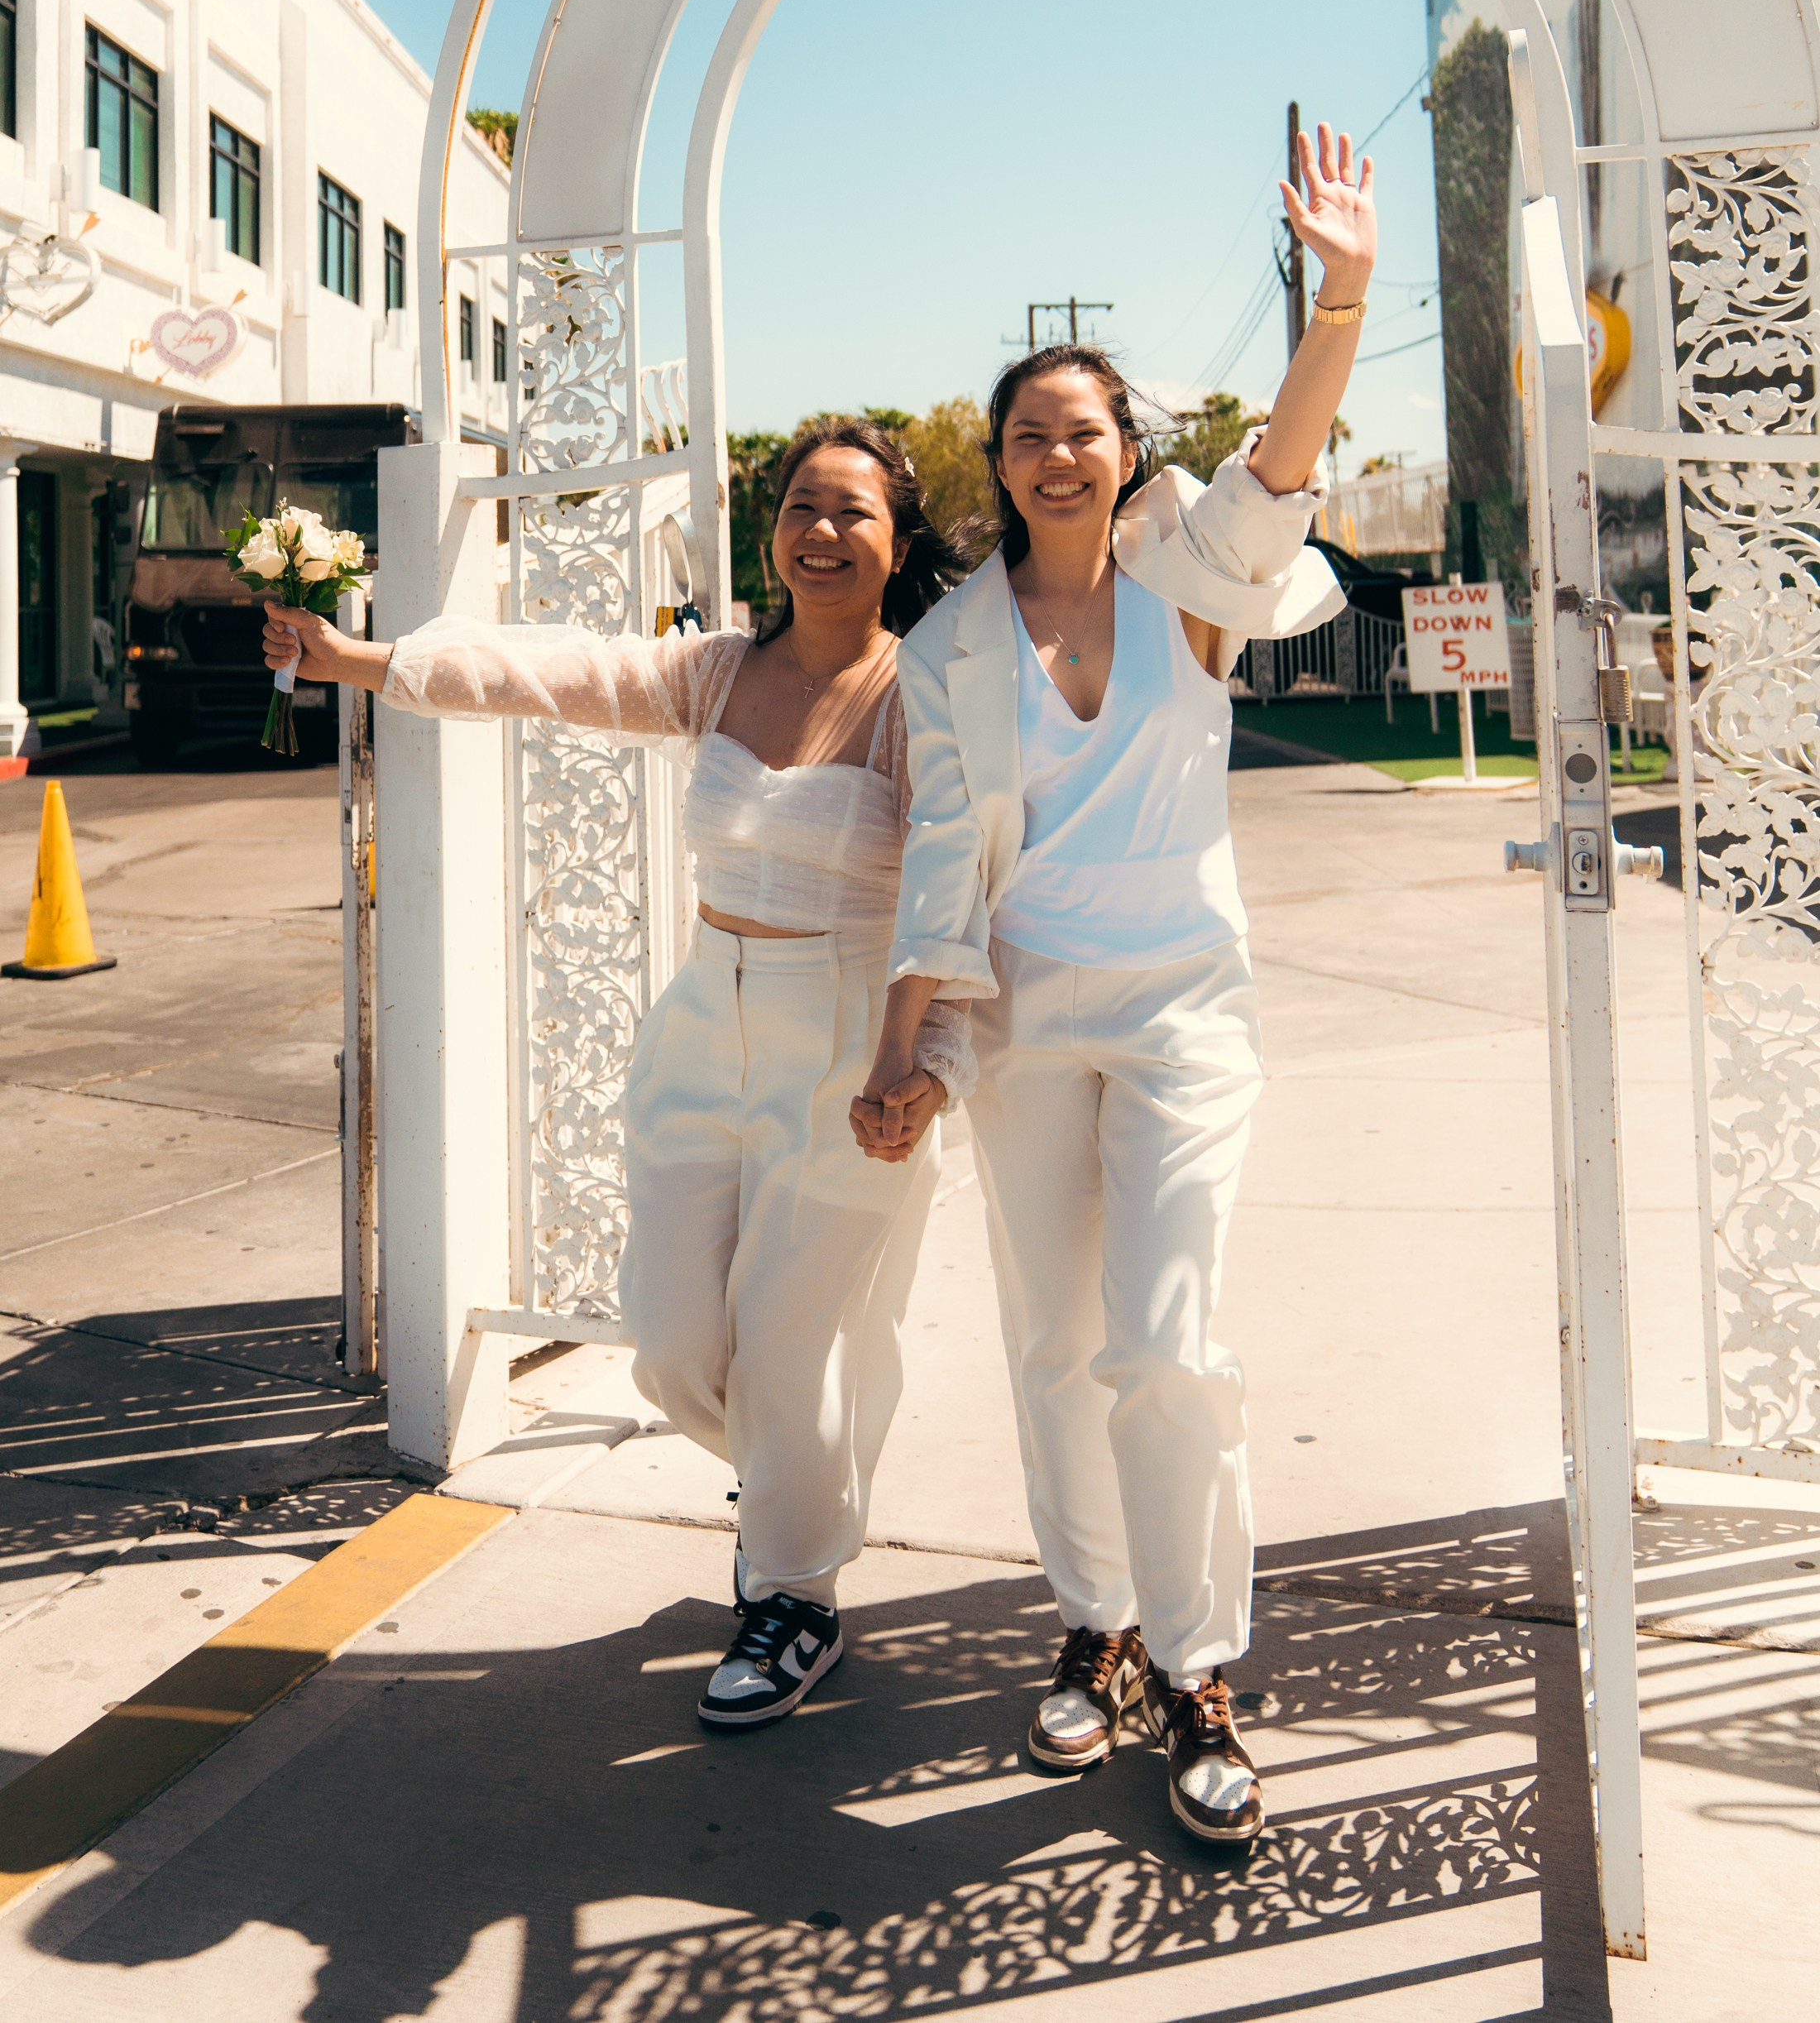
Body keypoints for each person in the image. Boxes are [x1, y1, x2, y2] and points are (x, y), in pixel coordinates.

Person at [263, 419, 970, 1732]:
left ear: (900, 543)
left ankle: (793, 1596)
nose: (822, 532)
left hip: (850, 1047)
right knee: (673, 1338)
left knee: (795, 1341)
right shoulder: (715, 672)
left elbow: (961, 896)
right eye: (802, 505)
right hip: (703, 1027)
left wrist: (920, 1065)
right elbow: (553, 671)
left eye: (854, 513)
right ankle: (798, 1483)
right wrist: (362, 659)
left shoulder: (923, 703)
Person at [853, 120, 1375, 1849]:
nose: (1053, 455)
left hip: (1179, 1015)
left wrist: (1339, 302)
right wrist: (915, 1044)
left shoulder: (1192, 587)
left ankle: (1203, 1666)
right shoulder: (945, 646)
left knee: (1166, 1341)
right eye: (1023, 435)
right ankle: (1098, 1625)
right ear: (994, 465)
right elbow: (943, 865)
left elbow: (1283, 475)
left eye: (1081, 430)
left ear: (1126, 449)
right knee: (1052, 1340)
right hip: (1020, 1025)